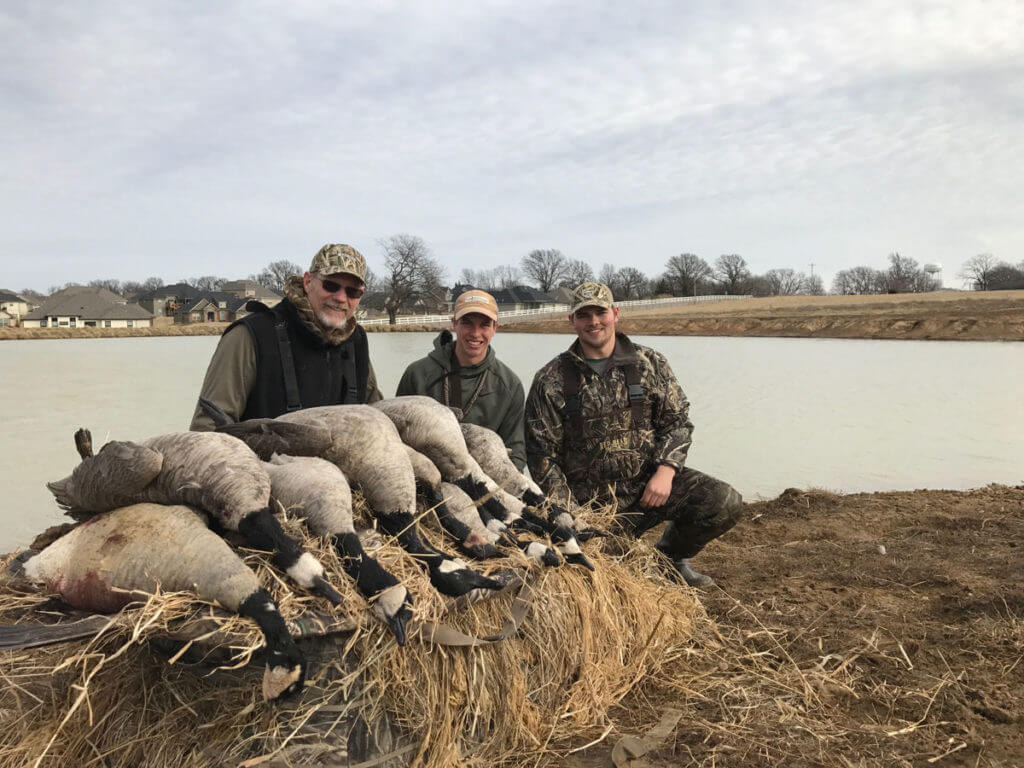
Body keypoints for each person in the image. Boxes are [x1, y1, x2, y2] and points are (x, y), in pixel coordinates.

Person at [525, 282, 742, 586]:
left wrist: (666, 470)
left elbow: (677, 422)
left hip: (647, 490)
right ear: (571, 321)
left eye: (600, 312)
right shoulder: (551, 379)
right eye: (583, 315)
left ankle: (670, 558)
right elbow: (541, 455)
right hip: (589, 506)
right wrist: (570, 515)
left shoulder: (649, 364)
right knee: (598, 570)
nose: (593, 322)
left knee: (724, 502)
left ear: (615, 313)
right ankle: (608, 547)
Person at [190, 243, 382, 430]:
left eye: (353, 291)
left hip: (343, 461)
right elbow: (207, 432)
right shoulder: (250, 336)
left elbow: (378, 420)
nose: (341, 298)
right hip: (258, 461)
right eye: (330, 285)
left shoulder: (356, 341)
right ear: (308, 282)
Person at [396, 289, 527, 469]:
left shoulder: (510, 386)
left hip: (485, 485)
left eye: (484, 325)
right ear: (453, 324)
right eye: (467, 323)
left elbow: (516, 454)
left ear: (495, 328)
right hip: (426, 480)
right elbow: (396, 439)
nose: (475, 333)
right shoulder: (417, 374)